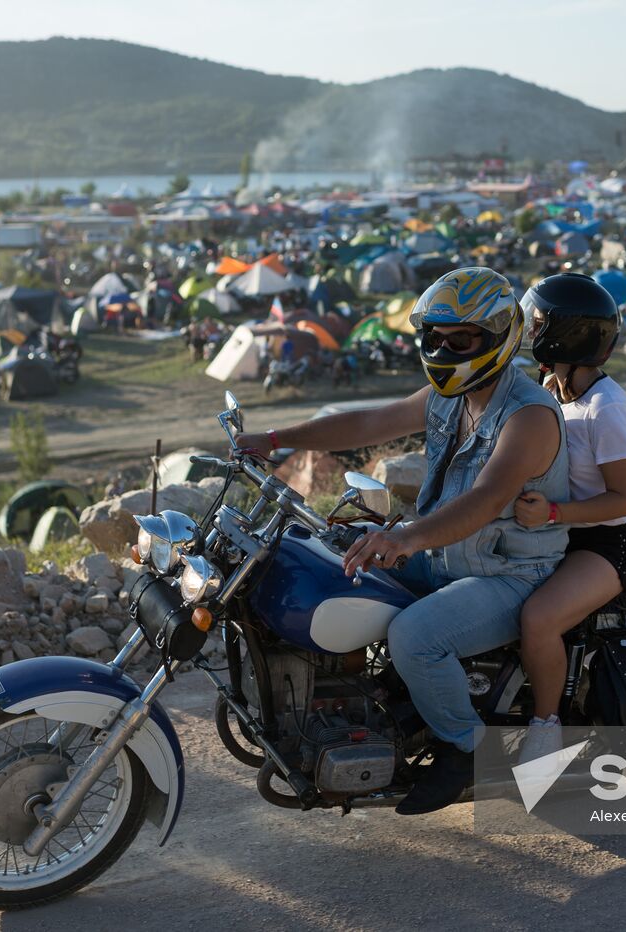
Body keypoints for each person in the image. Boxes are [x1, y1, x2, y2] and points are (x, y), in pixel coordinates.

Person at [236, 268, 568, 814]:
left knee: (415, 636)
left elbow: (485, 501)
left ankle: (465, 750)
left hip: (507, 575)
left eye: (458, 339)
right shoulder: (451, 395)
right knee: (328, 554)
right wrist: (276, 441)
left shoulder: (528, 415)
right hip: (444, 556)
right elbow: (369, 423)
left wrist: (405, 538)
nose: (442, 349)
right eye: (432, 338)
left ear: (499, 336)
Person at [511, 273, 626, 765]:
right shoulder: (552, 388)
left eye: (539, 321)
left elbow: (622, 500)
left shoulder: (608, 408)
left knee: (538, 619)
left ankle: (546, 729)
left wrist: (553, 513)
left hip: (605, 545)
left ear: (567, 334)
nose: (530, 328)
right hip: (558, 532)